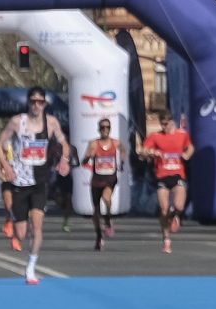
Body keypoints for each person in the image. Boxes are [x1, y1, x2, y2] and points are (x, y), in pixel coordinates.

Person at [0, 88, 69, 284]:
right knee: (21, 233)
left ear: (45, 104)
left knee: (38, 227)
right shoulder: (17, 122)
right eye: (33, 101)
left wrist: (64, 160)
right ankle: (13, 219)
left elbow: (65, 144)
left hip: (40, 181)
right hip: (20, 181)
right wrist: (6, 166)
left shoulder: (51, 123)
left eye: (40, 102)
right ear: (28, 103)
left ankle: (31, 268)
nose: (36, 105)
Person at [136, 108, 196, 254]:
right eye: (162, 124)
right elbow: (142, 151)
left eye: (166, 124)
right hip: (162, 176)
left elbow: (191, 147)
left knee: (179, 206)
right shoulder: (155, 136)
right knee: (163, 209)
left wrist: (187, 155)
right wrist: (151, 152)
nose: (164, 127)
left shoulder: (182, 135)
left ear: (172, 122)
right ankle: (166, 239)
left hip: (178, 175)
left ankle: (175, 215)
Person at [83, 119, 122, 250]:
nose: (105, 130)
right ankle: (99, 237)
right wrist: (89, 156)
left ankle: (108, 218)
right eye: (102, 127)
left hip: (110, 177)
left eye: (107, 127)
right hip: (96, 180)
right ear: (99, 129)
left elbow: (124, 151)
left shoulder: (115, 143)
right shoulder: (94, 144)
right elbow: (84, 161)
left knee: (106, 198)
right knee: (96, 212)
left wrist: (121, 160)